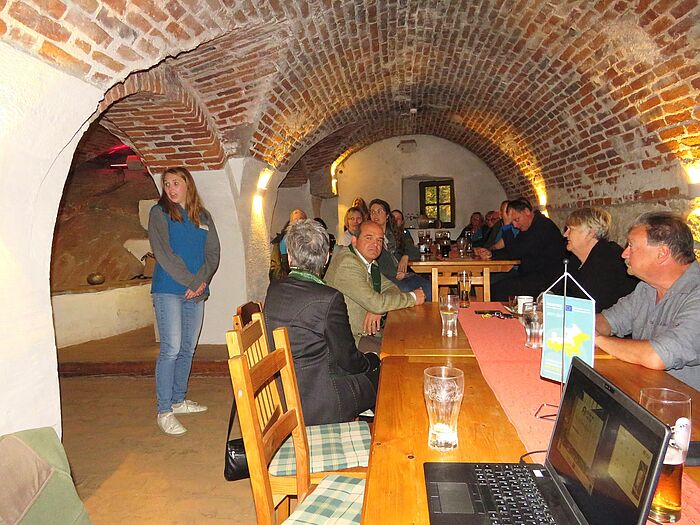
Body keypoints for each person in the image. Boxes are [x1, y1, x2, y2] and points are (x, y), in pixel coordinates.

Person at [264, 219, 381, 425]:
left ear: (290, 256)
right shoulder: (329, 298)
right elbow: (348, 359)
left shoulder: (274, 290)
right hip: (320, 401)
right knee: (382, 373)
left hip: (282, 392)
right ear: (326, 258)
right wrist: (371, 361)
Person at [148, 167, 221, 435]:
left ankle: (179, 400)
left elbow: (212, 253)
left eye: (175, 183)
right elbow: (163, 254)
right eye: (166, 184)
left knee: (188, 348)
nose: (170, 189)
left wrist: (201, 282)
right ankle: (164, 410)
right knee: (171, 348)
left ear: (187, 185)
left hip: (196, 291)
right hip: (168, 289)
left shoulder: (203, 216)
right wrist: (192, 282)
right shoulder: (159, 213)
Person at [595, 212, 700, 390]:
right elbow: (608, 321)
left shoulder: (695, 294)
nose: (624, 254)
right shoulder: (646, 288)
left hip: (685, 410)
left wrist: (595, 339)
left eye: (631, 246)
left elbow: (657, 356)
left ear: (662, 253)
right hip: (642, 394)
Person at [325, 220, 425, 353]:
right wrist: (412, 297)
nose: (375, 244)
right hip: (348, 340)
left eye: (379, 240)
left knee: (413, 340)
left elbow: (391, 288)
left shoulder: (369, 262)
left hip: (367, 334)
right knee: (399, 355)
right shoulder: (347, 263)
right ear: (354, 240)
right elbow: (376, 303)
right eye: (369, 238)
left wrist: (377, 309)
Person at [475, 197, 566, 301]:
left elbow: (515, 252)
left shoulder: (542, 227)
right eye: (512, 222)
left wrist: (506, 226)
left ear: (527, 211)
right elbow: (513, 249)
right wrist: (491, 254)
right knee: (493, 286)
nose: (515, 225)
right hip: (531, 275)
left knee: (497, 290)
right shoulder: (529, 227)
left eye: (516, 220)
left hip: (547, 281)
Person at [562, 207, 637, 312]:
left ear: (590, 233)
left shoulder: (609, 260)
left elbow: (593, 307)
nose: (565, 235)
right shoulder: (575, 260)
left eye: (570, 229)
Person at [369, 199, 431, 300]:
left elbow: (414, 251)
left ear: (387, 215)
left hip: (405, 275)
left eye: (379, 211)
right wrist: (395, 273)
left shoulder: (397, 233)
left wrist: (405, 257)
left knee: (429, 288)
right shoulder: (368, 237)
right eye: (372, 212)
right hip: (385, 277)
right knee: (406, 291)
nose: (375, 215)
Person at [269, 208, 307, 280]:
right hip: (284, 277)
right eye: (294, 219)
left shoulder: (308, 240)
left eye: (300, 219)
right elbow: (276, 263)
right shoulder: (281, 239)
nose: (297, 222)